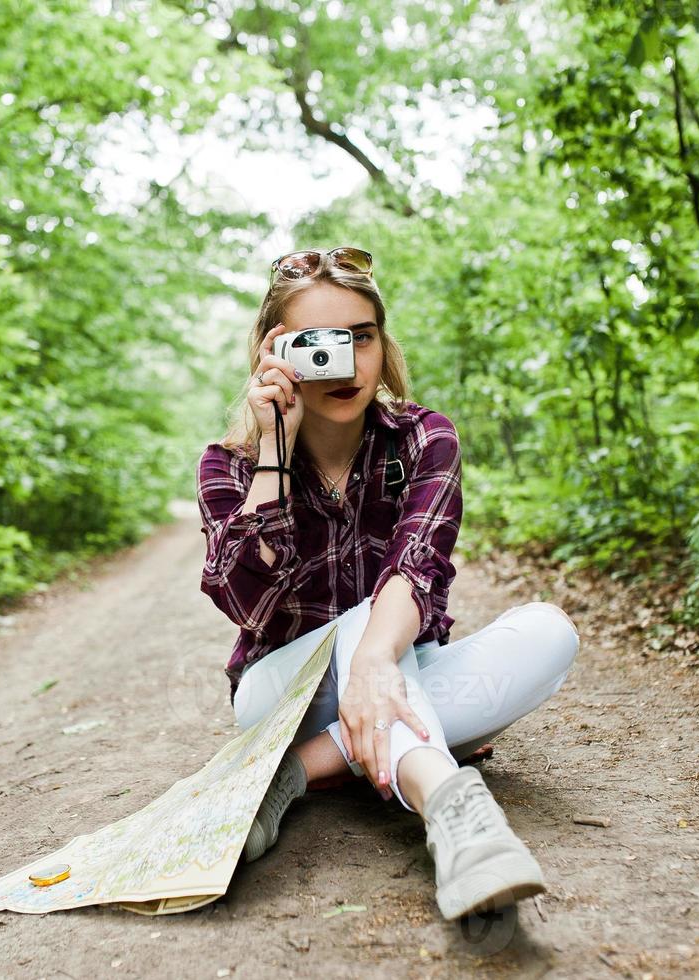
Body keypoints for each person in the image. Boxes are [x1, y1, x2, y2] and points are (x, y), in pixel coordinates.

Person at [195, 246, 580, 921]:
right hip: (278, 699)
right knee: (369, 633)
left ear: (381, 343)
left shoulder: (423, 437)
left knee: (548, 632)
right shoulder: (228, 466)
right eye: (318, 342)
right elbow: (246, 604)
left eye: (361, 337)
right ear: (272, 352)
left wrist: (374, 660)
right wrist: (275, 453)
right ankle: (450, 805)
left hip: (401, 668)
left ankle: (299, 771)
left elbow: (416, 565)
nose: (344, 361)